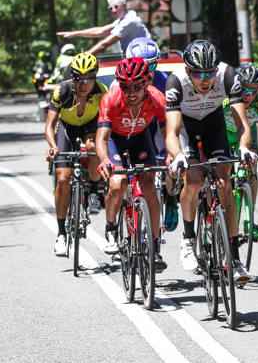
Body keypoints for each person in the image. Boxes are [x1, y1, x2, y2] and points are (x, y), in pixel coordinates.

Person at [165, 40, 253, 284]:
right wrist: (179, 156)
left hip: (214, 122)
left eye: (209, 72)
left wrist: (244, 147)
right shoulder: (175, 82)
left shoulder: (228, 76)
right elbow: (172, 132)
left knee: (225, 184)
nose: (205, 79)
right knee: (192, 181)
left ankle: (234, 259)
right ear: (187, 71)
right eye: (198, 74)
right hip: (187, 126)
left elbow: (242, 124)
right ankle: (188, 238)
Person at [96, 57, 169, 271]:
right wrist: (104, 160)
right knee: (118, 183)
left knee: (149, 185)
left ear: (146, 82)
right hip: (114, 140)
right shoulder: (110, 99)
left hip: (140, 138)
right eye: (126, 87)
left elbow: (167, 134)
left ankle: (154, 246)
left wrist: (170, 156)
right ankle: (111, 228)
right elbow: (101, 138)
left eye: (137, 86)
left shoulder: (157, 99)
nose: (131, 92)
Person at [44, 52, 107, 255]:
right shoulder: (61, 91)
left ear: (95, 78)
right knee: (63, 179)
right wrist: (53, 146)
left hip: (89, 126)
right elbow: (49, 125)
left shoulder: (102, 91)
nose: (83, 84)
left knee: (93, 148)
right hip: (66, 128)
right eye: (78, 78)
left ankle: (95, 192)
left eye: (88, 79)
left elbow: (108, 122)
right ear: (72, 77)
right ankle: (61, 233)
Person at [126, 37, 178, 232]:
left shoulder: (166, 81)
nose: (147, 72)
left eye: (152, 65)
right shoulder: (122, 84)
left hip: (159, 125)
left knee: (170, 159)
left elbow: (172, 122)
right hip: (135, 127)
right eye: (141, 66)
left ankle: (171, 198)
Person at [222, 63, 258, 241]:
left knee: (251, 167)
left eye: (253, 91)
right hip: (224, 135)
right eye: (244, 90)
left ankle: (250, 218)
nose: (248, 96)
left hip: (247, 136)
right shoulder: (226, 99)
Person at [57, 0, 152, 56]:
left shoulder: (130, 21)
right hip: (136, 60)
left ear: (124, 5)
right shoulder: (122, 20)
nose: (114, 10)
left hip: (145, 60)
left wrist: (84, 57)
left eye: (116, 6)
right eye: (111, 8)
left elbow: (105, 44)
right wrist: (74, 34)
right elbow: (99, 31)